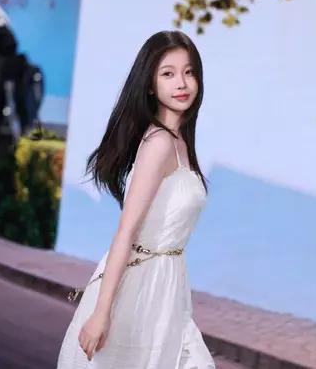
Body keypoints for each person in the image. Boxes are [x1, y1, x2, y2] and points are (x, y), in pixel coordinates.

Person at [56, 30, 215, 368]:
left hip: (167, 284)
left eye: (189, 72)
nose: (182, 83)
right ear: (150, 85)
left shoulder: (180, 142)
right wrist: (101, 313)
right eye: (168, 73)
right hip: (140, 287)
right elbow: (126, 232)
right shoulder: (159, 144)